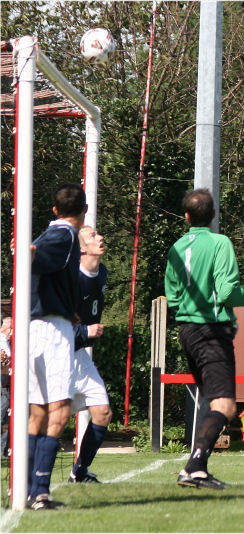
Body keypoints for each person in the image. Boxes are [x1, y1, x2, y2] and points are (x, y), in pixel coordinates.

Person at [165, 188, 244, 489]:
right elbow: (226, 292)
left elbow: (173, 298)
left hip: (187, 331)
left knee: (216, 403)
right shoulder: (219, 242)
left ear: (186, 217)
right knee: (225, 406)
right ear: (213, 216)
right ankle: (194, 468)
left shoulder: (175, 248)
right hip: (212, 332)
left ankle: (196, 466)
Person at [26, 183, 85, 509]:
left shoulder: (46, 234)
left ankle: (27, 488)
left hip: (36, 325)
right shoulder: (65, 235)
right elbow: (45, 256)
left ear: (53, 209)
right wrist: (32, 252)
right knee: (59, 410)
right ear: (83, 211)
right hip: (52, 328)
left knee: (37, 410)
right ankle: (40, 490)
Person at [69, 225, 111, 483]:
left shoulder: (102, 272)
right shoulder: (70, 276)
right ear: (81, 248)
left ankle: (80, 471)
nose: (101, 237)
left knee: (103, 412)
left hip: (79, 355)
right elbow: (54, 326)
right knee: (52, 418)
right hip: (59, 354)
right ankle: (34, 479)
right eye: (93, 236)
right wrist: (85, 331)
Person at [1, 316, 11, 457]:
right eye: (11, 328)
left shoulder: (10, 342)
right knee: (2, 415)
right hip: (5, 384)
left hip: (11, 383)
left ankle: (3, 448)